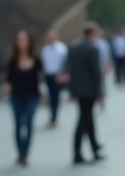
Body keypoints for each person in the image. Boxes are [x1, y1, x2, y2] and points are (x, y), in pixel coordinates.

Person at [4, 30, 43, 166]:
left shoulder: (36, 59)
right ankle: (20, 153)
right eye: (19, 40)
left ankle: (26, 153)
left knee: (29, 123)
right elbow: (8, 78)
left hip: (32, 95)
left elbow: (40, 78)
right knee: (18, 125)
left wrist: (43, 93)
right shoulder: (12, 60)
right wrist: (6, 87)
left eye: (24, 40)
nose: (22, 43)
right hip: (16, 96)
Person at [67, 23, 105, 164]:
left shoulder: (74, 48)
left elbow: (71, 70)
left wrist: (72, 90)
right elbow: (96, 73)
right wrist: (100, 93)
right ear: (93, 33)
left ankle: (94, 148)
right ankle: (77, 152)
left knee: (88, 119)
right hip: (89, 91)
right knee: (84, 121)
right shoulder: (92, 49)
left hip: (79, 90)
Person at [40, 29, 69, 129]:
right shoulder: (45, 49)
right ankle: (51, 117)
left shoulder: (61, 48)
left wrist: (63, 74)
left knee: (55, 97)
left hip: (58, 75)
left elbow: (66, 63)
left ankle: (54, 118)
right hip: (48, 75)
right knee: (49, 96)